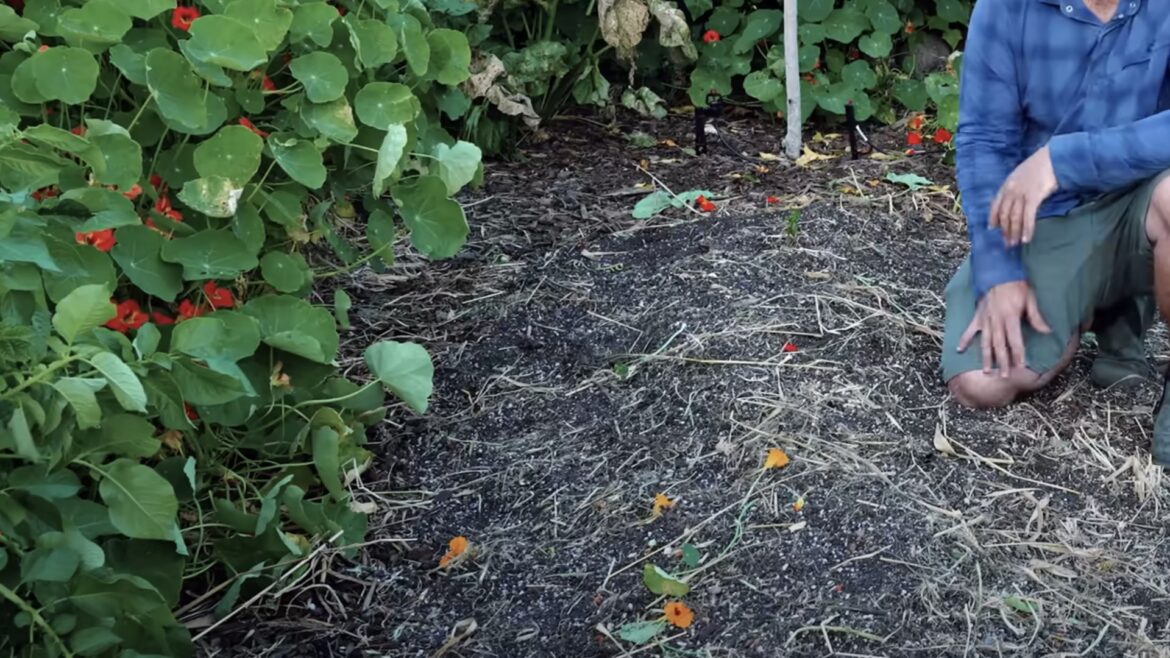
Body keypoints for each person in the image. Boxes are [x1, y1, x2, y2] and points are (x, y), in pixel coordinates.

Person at [941, 0, 1170, 464]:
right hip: (1046, 219)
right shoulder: (1006, 9)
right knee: (980, 384)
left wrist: (1062, 160)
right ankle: (1091, 314)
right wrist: (998, 269)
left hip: (1144, 198)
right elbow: (984, 141)